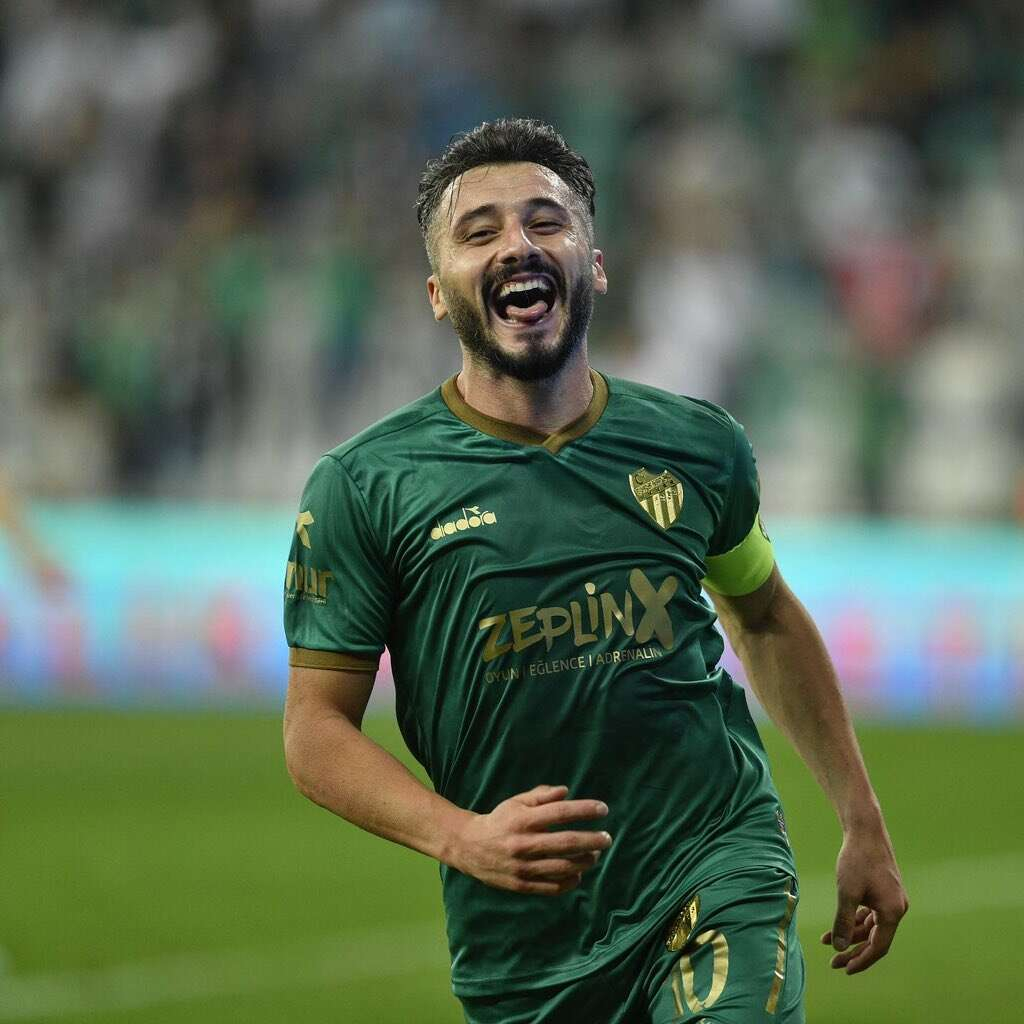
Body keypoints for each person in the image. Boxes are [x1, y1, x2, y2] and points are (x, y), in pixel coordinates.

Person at [282, 118, 908, 1023]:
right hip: (525, 942)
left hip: (716, 863)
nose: (518, 245)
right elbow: (315, 729)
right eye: (480, 231)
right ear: (437, 293)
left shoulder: (697, 445)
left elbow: (763, 614)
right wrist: (463, 837)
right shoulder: (365, 487)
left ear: (596, 264)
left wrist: (861, 818)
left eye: (546, 221)